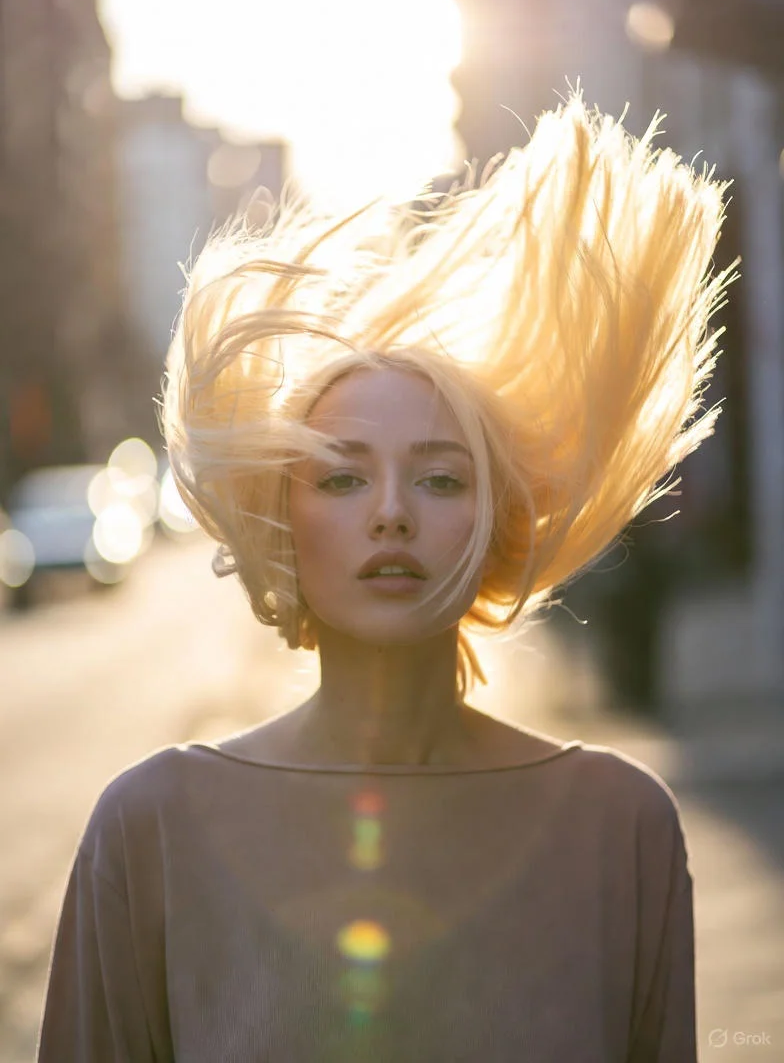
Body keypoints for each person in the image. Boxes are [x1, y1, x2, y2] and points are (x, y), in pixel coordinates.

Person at [37, 92, 734, 1061]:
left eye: (442, 477)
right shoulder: (150, 826)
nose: (392, 511)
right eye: (342, 476)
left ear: (500, 517)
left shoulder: (620, 826)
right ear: (284, 516)